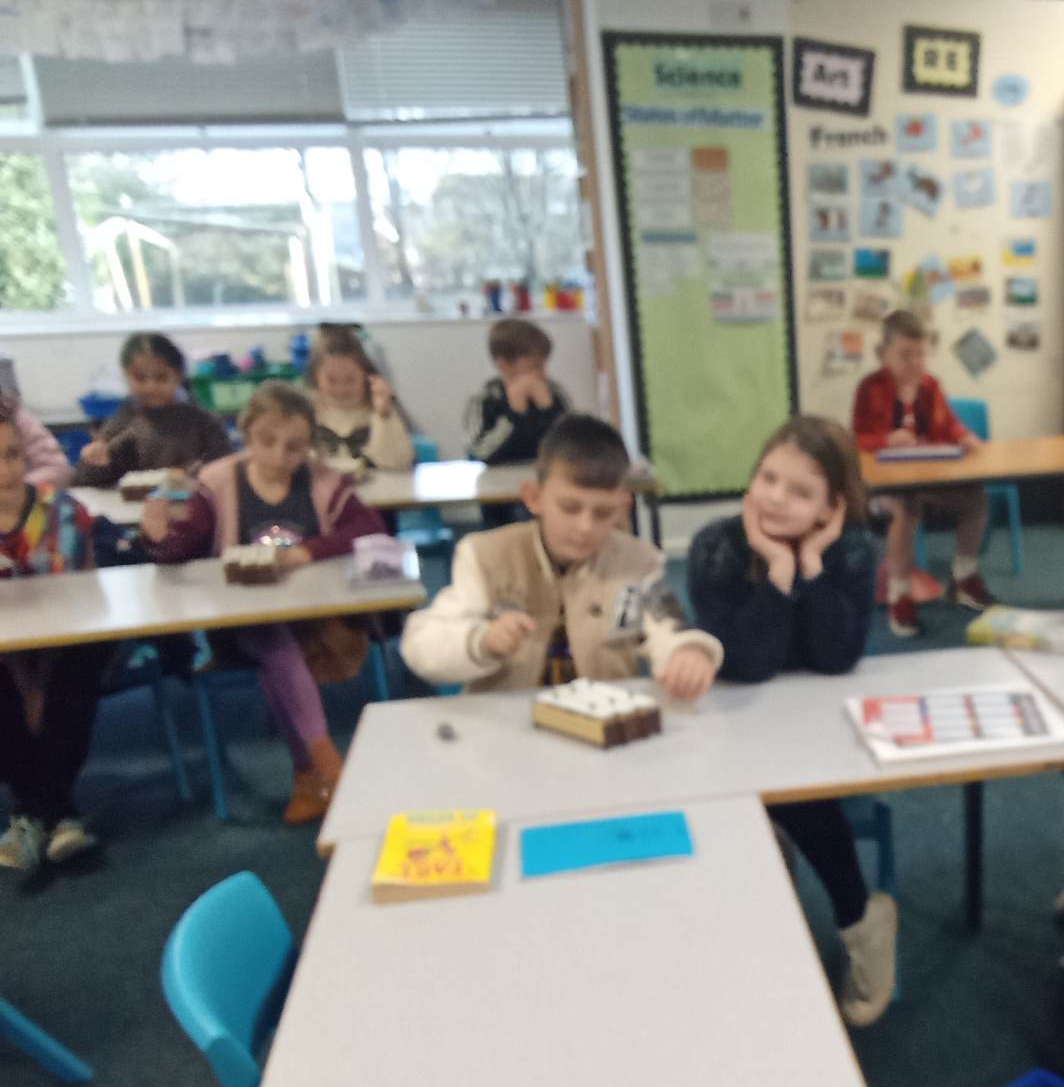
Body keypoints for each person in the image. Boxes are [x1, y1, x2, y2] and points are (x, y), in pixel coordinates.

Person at [687, 415, 898, 1025]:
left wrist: (811, 566)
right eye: (768, 478)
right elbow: (747, 666)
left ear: (832, 507)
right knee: (774, 791)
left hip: (819, 726)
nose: (776, 498)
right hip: (738, 719)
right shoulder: (717, 546)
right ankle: (849, 912)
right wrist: (777, 574)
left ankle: (861, 923)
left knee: (792, 793)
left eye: (800, 491)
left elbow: (836, 659)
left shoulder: (852, 550)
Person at [141, 383, 385, 825]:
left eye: (294, 447)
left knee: (277, 659)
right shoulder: (218, 481)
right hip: (241, 625)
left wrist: (308, 551)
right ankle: (329, 763)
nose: (278, 457)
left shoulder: (324, 480)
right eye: (266, 441)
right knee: (269, 638)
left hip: (318, 623)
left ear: (309, 446)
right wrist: (160, 537)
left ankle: (308, 775)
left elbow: (368, 529)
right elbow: (184, 549)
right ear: (246, 433)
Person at [401, 411, 720, 695]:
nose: (585, 526)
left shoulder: (638, 565)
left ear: (623, 507)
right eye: (569, 507)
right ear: (534, 497)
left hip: (604, 721)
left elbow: (669, 625)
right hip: (510, 726)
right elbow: (421, 645)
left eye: (603, 513)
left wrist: (688, 651)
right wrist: (481, 641)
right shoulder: (484, 556)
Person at [0, 397, 113, 871]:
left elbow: (85, 596)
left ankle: (31, 815)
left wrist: (39, 683)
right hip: (5, 656)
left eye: (11, 455)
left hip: (63, 647)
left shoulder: (63, 512)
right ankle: (59, 813)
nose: (5, 470)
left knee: (86, 654)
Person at [850, 309, 990, 638]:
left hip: (929, 480)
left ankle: (963, 577)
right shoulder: (870, 388)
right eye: (904, 355)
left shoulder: (931, 386)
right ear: (883, 353)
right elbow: (855, 439)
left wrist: (963, 436)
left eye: (920, 354)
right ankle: (899, 593)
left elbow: (949, 425)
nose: (914, 362)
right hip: (885, 488)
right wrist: (886, 440)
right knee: (905, 508)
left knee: (975, 500)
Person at [74, 333, 231, 487]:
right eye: (140, 378)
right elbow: (85, 479)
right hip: (133, 503)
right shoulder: (123, 420)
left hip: (191, 500)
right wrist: (97, 463)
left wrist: (203, 472)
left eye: (161, 377)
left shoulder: (202, 422)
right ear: (126, 376)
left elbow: (226, 470)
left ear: (178, 375)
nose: (151, 387)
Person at [306, 326, 415, 479]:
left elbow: (397, 464)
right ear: (316, 377)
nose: (341, 388)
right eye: (331, 380)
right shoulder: (308, 411)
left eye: (350, 380)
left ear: (366, 376)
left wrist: (383, 414)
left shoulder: (377, 408)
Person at [464, 318, 571, 465]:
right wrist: (514, 415)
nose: (543, 373)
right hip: (497, 477)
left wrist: (549, 410)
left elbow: (574, 448)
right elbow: (477, 454)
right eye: (534, 367)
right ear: (503, 365)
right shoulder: (485, 399)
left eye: (544, 365)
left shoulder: (553, 391)